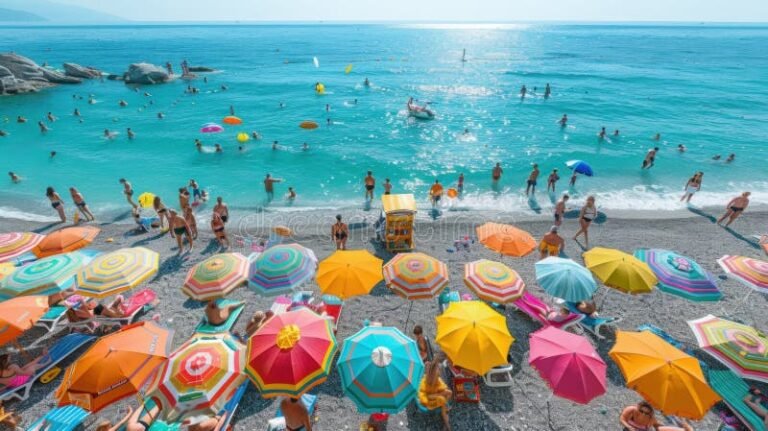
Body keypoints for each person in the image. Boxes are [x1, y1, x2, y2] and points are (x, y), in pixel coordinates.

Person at [418, 358, 452, 431]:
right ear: (428, 376)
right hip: (430, 401)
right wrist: (432, 397)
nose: (434, 380)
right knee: (442, 401)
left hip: (436, 396)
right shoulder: (424, 383)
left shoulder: (437, 381)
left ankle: (446, 422)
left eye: (436, 378)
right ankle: (446, 423)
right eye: (432, 378)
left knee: (447, 394)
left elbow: (444, 388)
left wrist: (440, 393)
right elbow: (423, 397)